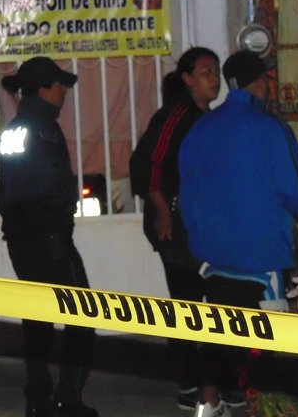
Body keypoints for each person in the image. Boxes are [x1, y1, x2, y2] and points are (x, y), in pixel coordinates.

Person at [178, 50, 298, 417]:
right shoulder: (268, 128)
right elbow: (293, 192)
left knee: (218, 333)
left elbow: (187, 191)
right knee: (267, 341)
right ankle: (269, 408)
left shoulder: (202, 126)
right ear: (261, 82)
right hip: (261, 253)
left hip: (214, 255)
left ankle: (207, 404)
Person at [0, 57, 98, 417]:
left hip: (22, 238)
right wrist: (60, 216)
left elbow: (8, 187)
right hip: (50, 237)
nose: (64, 91)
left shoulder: (14, 129)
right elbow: (48, 185)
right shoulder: (43, 129)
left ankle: (38, 402)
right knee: (82, 318)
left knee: (37, 322)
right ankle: (66, 400)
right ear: (43, 89)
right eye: (59, 85)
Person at [128, 47, 221, 410]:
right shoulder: (176, 114)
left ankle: (208, 380)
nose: (214, 80)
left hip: (200, 225)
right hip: (175, 226)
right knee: (186, 304)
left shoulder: (207, 117)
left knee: (208, 304)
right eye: (205, 73)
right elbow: (149, 163)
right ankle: (190, 382)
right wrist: (161, 209)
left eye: (216, 72)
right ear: (187, 79)